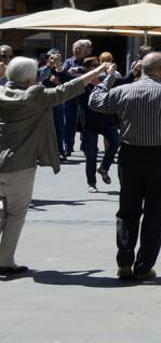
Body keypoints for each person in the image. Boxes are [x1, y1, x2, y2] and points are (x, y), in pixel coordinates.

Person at [89, 52, 161, 282]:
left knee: (128, 210)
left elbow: (95, 101)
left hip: (131, 155)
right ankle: (143, 266)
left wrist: (109, 78)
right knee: (156, 212)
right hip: (160, 156)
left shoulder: (124, 90)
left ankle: (125, 262)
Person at [0, 57, 109, 277]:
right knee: (16, 213)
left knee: (3, 209)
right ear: (30, 78)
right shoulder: (34, 95)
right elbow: (67, 90)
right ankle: (5, 261)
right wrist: (95, 71)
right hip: (19, 163)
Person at [77, 57, 121, 192]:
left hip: (107, 120)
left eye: (99, 65)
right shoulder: (81, 84)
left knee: (115, 142)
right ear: (87, 69)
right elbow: (88, 104)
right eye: (94, 65)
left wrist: (133, 71)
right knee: (91, 154)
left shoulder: (105, 81)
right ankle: (91, 183)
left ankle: (104, 168)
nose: (98, 68)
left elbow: (124, 82)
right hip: (90, 123)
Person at [62, 39, 93, 157]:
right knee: (69, 122)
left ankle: (86, 147)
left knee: (85, 122)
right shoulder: (68, 61)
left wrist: (77, 72)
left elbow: (92, 74)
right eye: (74, 49)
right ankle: (68, 147)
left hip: (86, 95)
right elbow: (64, 75)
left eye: (79, 49)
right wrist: (79, 74)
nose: (76, 51)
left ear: (85, 50)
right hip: (71, 95)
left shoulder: (89, 61)